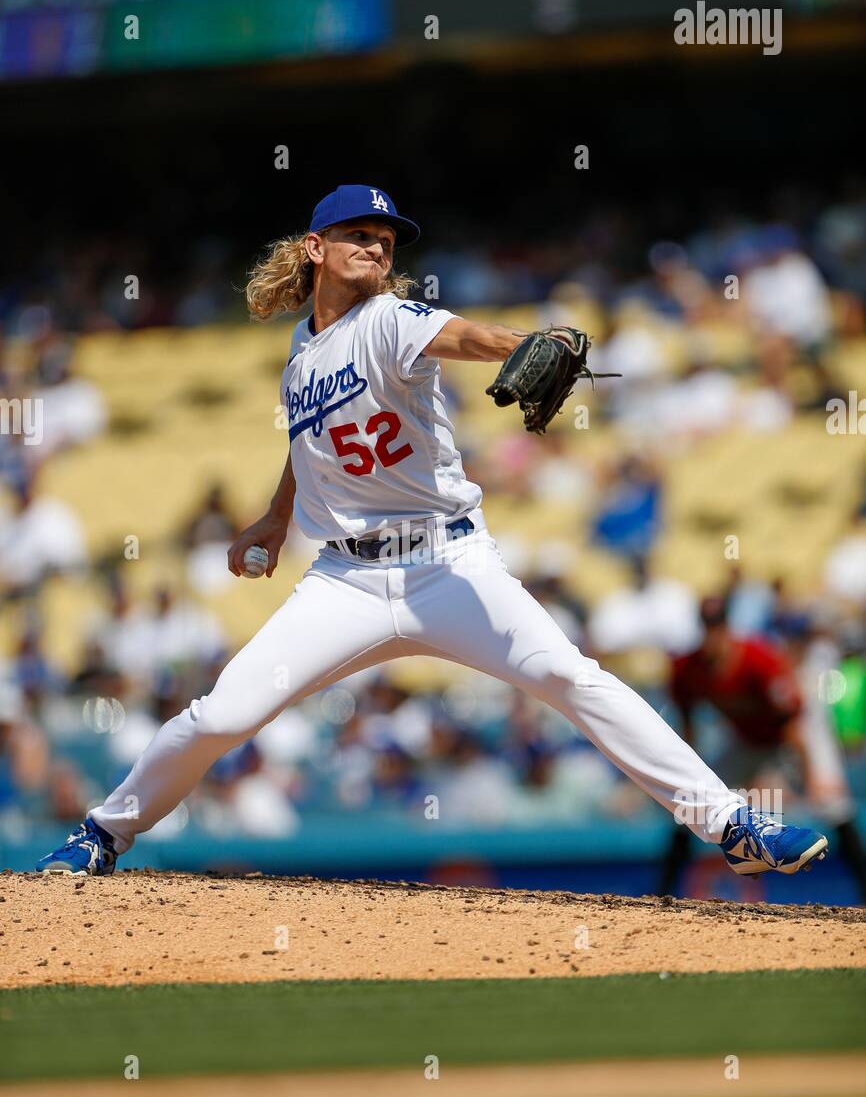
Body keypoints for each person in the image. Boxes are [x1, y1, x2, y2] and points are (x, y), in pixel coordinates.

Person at [37, 185, 828, 881]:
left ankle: (731, 825)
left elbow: (466, 337)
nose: (377, 245)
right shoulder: (301, 350)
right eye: (359, 235)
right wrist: (277, 518)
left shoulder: (391, 319)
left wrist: (528, 345)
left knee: (573, 680)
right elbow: (307, 438)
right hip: (344, 581)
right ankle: (102, 834)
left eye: (385, 240)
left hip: (449, 566)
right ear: (315, 249)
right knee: (219, 717)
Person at [659, 596, 862, 896]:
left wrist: (811, 778)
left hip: (794, 735)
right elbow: (688, 724)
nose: (712, 634)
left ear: (727, 627)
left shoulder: (757, 658)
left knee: (833, 805)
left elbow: (792, 722)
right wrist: (689, 768)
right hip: (747, 741)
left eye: (717, 626)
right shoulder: (689, 668)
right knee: (691, 800)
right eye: (707, 626)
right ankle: (663, 892)